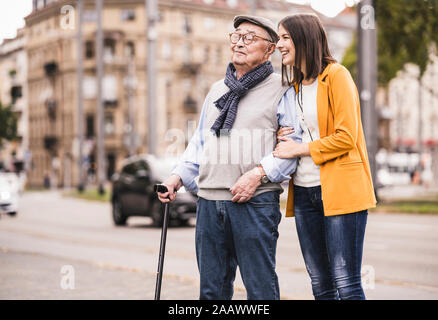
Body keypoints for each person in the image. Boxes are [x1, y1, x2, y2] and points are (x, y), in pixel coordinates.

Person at [157, 15, 301, 300]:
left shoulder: (282, 88)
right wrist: (176, 177)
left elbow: (292, 146)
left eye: (249, 37)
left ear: (269, 49)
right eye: (236, 35)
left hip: (255, 202)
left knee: (259, 290)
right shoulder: (216, 91)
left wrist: (256, 174)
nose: (239, 42)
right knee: (212, 292)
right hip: (209, 203)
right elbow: (200, 143)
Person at [273, 13, 377, 300]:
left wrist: (298, 148)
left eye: (284, 37)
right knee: (320, 283)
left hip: (341, 191)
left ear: (304, 38)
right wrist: (284, 137)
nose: (279, 44)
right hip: (305, 193)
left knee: (347, 283)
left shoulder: (337, 76)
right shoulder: (293, 88)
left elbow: (347, 137)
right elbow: (299, 134)